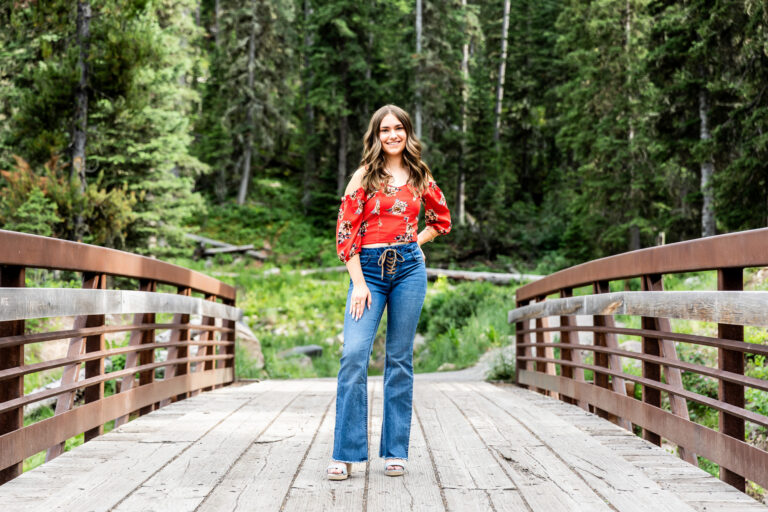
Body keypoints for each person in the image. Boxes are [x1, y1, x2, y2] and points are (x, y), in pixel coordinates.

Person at [327, 104, 451, 480]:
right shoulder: (364, 176)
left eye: (398, 128)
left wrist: (417, 240)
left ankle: (396, 451)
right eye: (385, 130)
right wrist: (360, 285)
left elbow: (440, 219)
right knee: (353, 355)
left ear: (407, 133)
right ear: (376, 136)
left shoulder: (419, 175)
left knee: (399, 359)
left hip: (410, 269)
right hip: (368, 271)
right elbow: (345, 233)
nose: (392, 135)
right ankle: (345, 453)